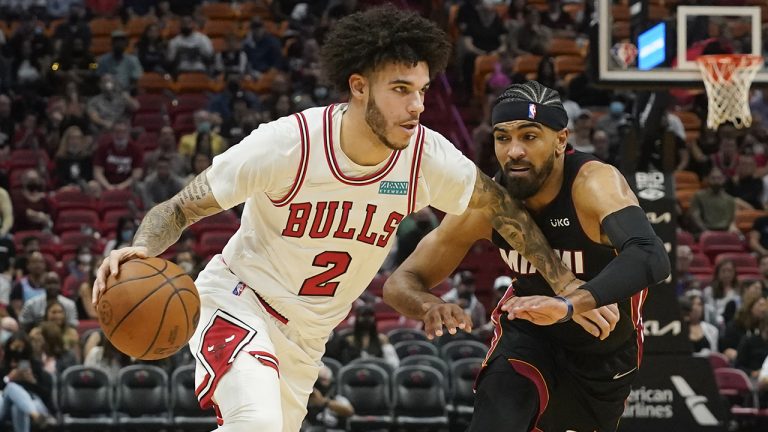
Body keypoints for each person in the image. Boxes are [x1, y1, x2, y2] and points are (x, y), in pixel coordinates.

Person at [93, 7, 580, 432]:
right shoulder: (289, 144)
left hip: (308, 339)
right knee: (255, 424)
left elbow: (505, 213)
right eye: (401, 89)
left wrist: (567, 286)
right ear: (359, 87)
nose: (417, 105)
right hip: (241, 303)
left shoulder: (427, 156)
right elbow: (179, 207)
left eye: (423, 90)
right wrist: (141, 247)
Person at [383, 81, 670, 432]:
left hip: (604, 353)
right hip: (528, 336)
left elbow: (651, 254)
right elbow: (400, 282)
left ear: (561, 140)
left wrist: (570, 304)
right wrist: (429, 305)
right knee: (498, 413)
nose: (514, 151)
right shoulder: (488, 203)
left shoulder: (593, 184)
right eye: (503, 138)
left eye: (529, 137)